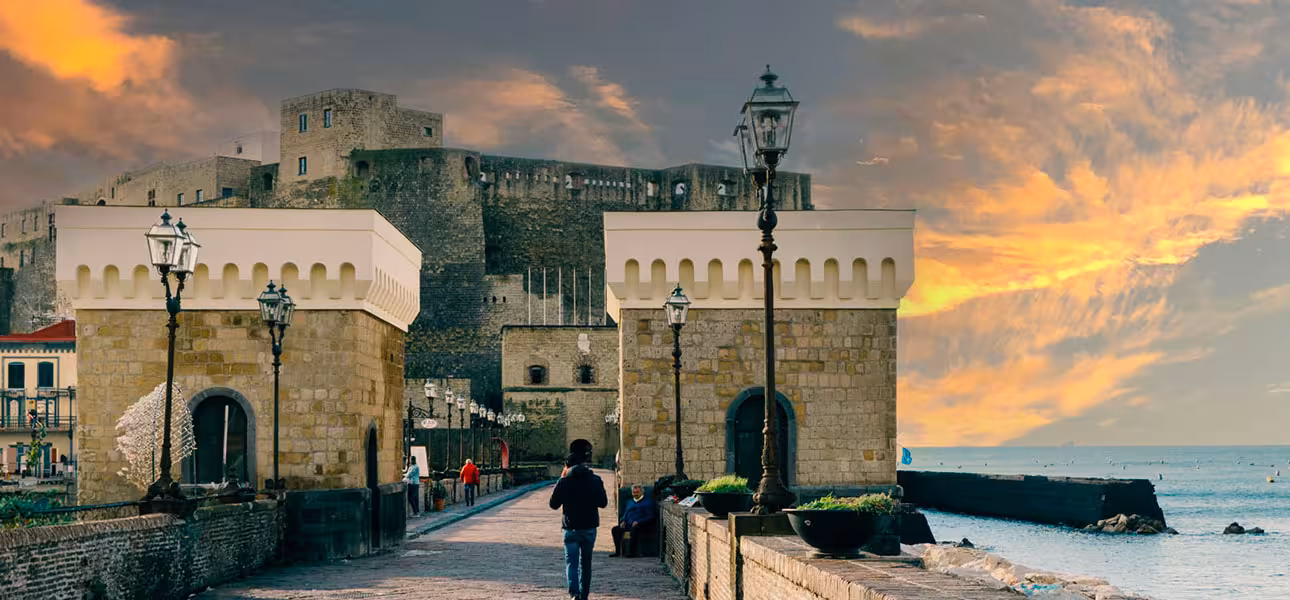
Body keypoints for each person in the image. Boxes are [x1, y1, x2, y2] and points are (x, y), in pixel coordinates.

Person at [550, 450, 607, 600]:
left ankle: (574, 593)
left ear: (567, 466)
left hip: (571, 528)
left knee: (572, 563)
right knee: (586, 563)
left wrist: (561, 481)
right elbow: (603, 503)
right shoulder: (595, 479)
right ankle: (584, 595)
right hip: (589, 527)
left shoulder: (564, 481)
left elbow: (553, 504)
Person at [611, 484, 656, 557]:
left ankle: (632, 552)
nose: (635, 494)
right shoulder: (629, 502)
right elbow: (626, 513)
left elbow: (651, 516)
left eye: (637, 492)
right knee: (615, 529)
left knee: (634, 529)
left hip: (641, 525)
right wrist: (623, 521)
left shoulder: (648, 503)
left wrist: (639, 521)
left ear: (641, 492)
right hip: (628, 523)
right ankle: (618, 551)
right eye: (633, 492)